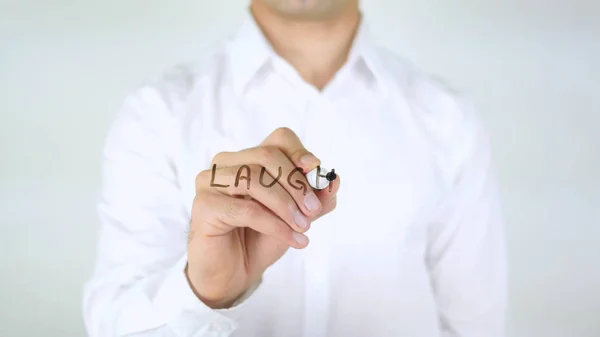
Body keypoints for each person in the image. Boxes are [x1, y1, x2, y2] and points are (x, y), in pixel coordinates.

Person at [83, 0, 507, 336]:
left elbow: (475, 326)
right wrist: (204, 292)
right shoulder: (156, 115)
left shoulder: (449, 122)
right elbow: (113, 324)